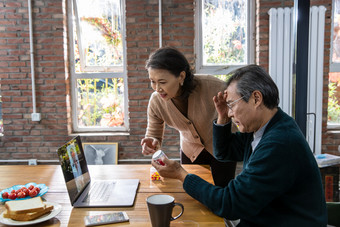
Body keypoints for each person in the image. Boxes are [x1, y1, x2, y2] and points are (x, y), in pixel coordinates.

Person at [152, 64, 327, 226]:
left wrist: (182, 175)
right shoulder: (264, 127)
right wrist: (222, 118)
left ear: (256, 98)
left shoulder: (279, 143)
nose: (229, 112)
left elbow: (230, 203)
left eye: (232, 105)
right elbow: (224, 152)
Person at [141, 46, 236, 187]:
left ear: (181, 76)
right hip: (191, 151)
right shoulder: (156, 101)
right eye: (152, 81)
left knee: (222, 192)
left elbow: (238, 112)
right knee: (192, 193)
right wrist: (152, 141)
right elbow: (154, 133)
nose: (157, 88)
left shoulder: (213, 87)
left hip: (223, 149)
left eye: (162, 82)